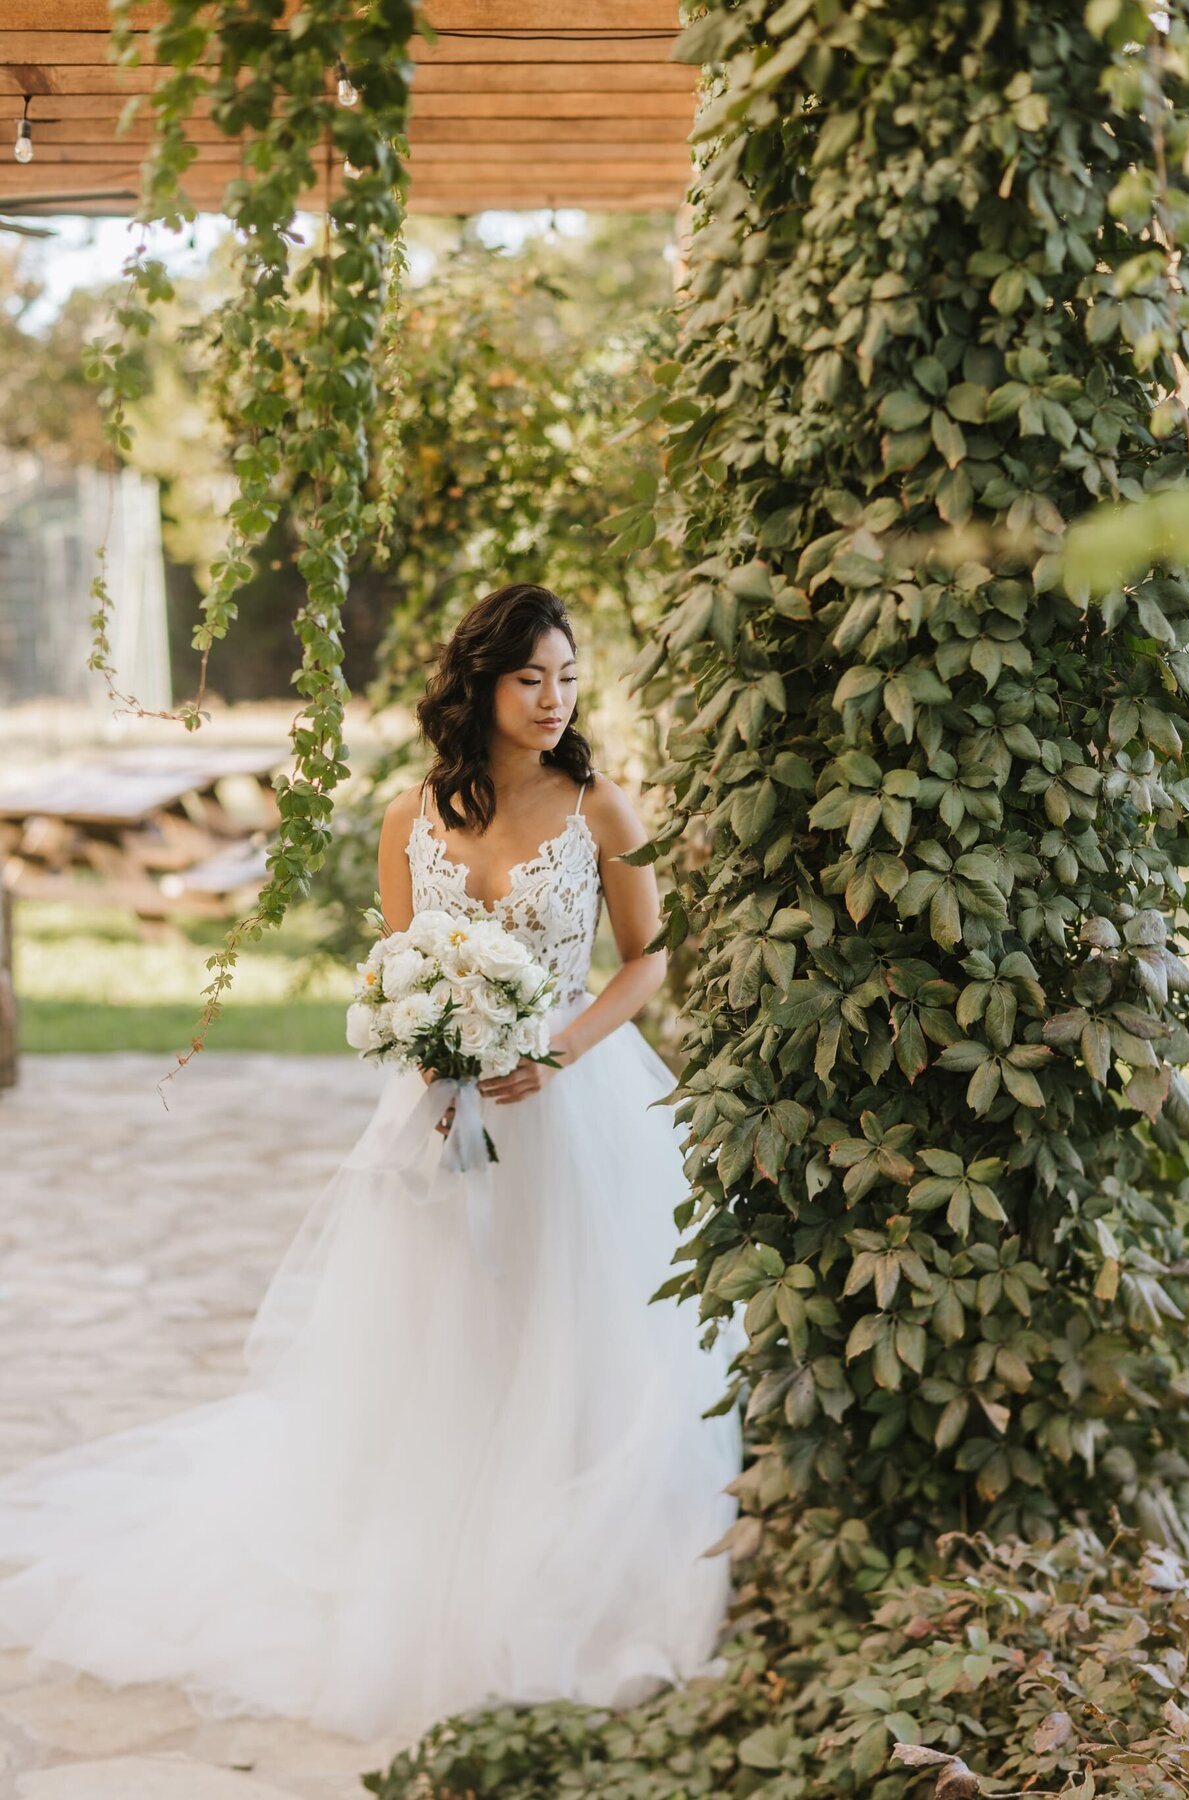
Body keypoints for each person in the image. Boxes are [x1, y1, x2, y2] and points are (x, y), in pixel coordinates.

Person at [0, 583, 744, 1745]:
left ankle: (563, 1548)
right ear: (482, 686)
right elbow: (398, 968)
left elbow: (649, 959)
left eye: (568, 679)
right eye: (529, 680)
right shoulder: (412, 816)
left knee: (577, 1330)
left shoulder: (607, 808)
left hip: (574, 1104)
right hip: (442, 1115)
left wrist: (556, 1045)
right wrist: (429, 1050)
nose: (553, 701)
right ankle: (438, 1536)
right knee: (447, 1329)